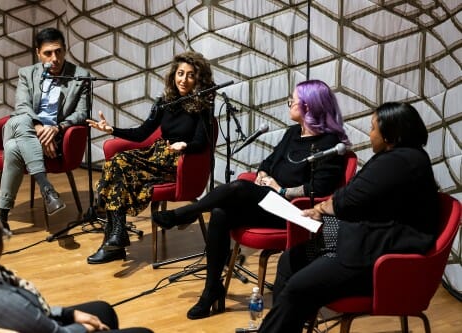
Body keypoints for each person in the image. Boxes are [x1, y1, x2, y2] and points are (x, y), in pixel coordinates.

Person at [152, 79, 350, 319]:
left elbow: (319, 189)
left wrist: (279, 189)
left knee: (238, 187)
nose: (289, 104)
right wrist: (263, 175)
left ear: (308, 106)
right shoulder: (292, 133)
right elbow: (267, 163)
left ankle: (186, 213)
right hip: (270, 205)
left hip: (297, 214)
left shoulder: (330, 145)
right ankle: (211, 288)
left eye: (293, 101)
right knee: (220, 213)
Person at [257, 102, 440, 333]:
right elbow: (351, 193)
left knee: (298, 287)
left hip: (377, 257)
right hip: (360, 238)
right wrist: (327, 208)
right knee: (290, 260)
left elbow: (349, 200)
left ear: (391, 134)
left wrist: (322, 208)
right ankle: (282, 325)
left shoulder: (400, 162)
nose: (370, 133)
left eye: (374, 128)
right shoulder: (395, 156)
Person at [86, 51, 215, 264]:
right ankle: (116, 237)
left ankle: (114, 237)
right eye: (180, 73)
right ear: (174, 75)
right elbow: (142, 133)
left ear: (198, 79)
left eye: (190, 75)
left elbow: (202, 143)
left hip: (177, 161)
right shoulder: (165, 102)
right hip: (155, 155)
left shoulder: (203, 108)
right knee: (117, 164)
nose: (183, 79)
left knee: (116, 167)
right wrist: (112, 130)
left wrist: (184, 146)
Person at [0, 194, 154, 333]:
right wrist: (83, 327)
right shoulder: (6, 301)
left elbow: (33, 317)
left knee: (103, 310)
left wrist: (67, 314)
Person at [0, 27, 90, 236]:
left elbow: (83, 113)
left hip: (52, 136)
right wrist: (39, 128)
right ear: (38, 53)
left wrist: (57, 128)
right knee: (21, 121)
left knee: (13, 148)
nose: (54, 58)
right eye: (48, 53)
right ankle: (46, 187)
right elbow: (21, 106)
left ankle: (1, 216)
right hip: (23, 126)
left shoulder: (80, 76)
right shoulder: (27, 73)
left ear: (65, 50)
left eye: (58, 51)